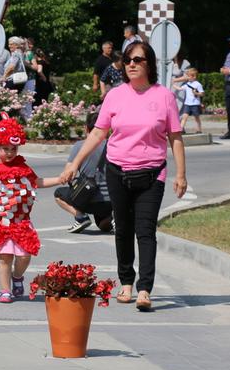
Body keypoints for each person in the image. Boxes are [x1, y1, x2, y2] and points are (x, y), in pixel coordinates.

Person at [61, 41, 187, 313]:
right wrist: (75, 163)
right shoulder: (115, 96)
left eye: (138, 59)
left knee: (145, 231)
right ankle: (126, 282)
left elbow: (175, 137)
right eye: (128, 59)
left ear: (149, 64)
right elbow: (98, 133)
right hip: (118, 170)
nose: (131, 64)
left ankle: (144, 288)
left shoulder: (164, 96)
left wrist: (181, 174)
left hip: (152, 173)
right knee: (123, 230)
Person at [0, 118, 63, 303]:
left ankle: (17, 276)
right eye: (5, 149)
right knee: (4, 257)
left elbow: (37, 182)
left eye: (13, 149)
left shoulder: (22, 167)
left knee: (24, 255)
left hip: (21, 222)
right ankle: (5, 290)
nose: (9, 153)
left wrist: (59, 179)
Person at [54, 112, 113, 233]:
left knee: (58, 194)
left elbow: (68, 174)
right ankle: (113, 218)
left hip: (88, 200)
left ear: (86, 128)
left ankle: (81, 217)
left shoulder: (80, 146)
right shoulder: (112, 145)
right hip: (112, 200)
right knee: (103, 226)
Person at [178, 67, 204, 134]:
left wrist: (196, 93)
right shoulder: (187, 84)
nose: (188, 78)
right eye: (188, 76)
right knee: (184, 117)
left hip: (195, 104)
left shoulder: (198, 84)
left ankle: (199, 129)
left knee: (196, 118)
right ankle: (180, 129)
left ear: (194, 76)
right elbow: (180, 89)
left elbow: (202, 94)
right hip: (187, 104)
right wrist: (173, 85)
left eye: (189, 76)